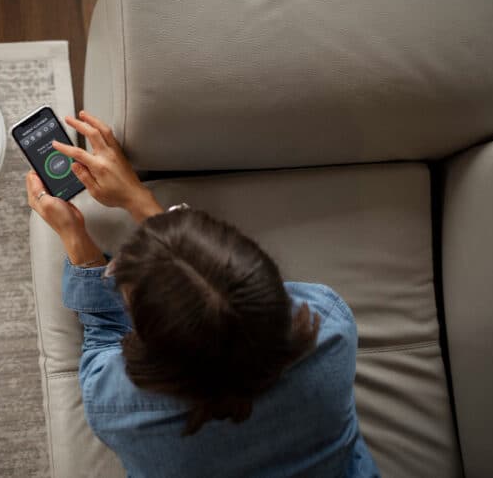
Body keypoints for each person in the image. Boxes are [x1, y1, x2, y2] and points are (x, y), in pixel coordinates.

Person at [25, 110, 379, 478]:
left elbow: (102, 345)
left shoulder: (119, 408)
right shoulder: (331, 329)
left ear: (151, 345)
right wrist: (137, 198)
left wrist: (77, 242)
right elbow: (222, 299)